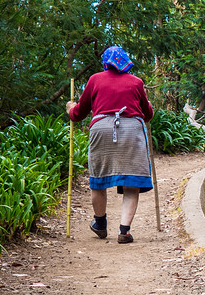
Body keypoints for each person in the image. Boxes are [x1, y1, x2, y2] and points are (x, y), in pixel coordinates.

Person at [66, 46, 155, 244]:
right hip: (132, 130)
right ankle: (124, 231)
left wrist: (71, 109)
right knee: (132, 184)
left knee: (99, 178)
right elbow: (148, 114)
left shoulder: (95, 79)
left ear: (106, 62)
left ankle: (100, 224)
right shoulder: (136, 82)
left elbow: (79, 113)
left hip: (101, 128)